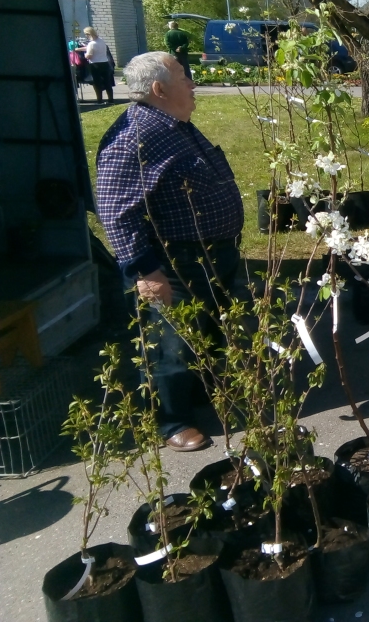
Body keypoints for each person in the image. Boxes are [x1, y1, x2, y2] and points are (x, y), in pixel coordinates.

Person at [96, 52, 244, 451]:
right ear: (159, 89)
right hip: (175, 263)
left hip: (214, 255)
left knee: (210, 331)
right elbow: (114, 210)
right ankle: (172, 422)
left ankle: (203, 395)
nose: (193, 83)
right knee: (171, 346)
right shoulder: (134, 138)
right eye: (184, 76)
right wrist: (144, 271)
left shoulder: (174, 125)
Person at [82, 27, 114, 103]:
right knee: (107, 82)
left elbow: (89, 55)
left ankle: (99, 100)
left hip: (95, 64)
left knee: (97, 83)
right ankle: (111, 99)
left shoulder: (91, 44)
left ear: (88, 34)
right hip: (105, 63)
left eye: (86, 34)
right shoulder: (101, 41)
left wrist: (85, 54)